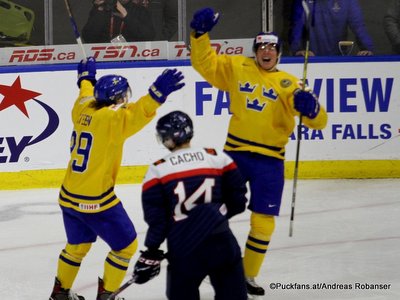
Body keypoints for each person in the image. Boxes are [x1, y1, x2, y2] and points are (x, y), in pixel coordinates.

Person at [189, 7, 328, 298]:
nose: (267, 51)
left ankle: (246, 275)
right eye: (262, 46)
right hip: (235, 154)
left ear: (278, 53)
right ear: (255, 50)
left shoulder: (290, 84)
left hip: (270, 160)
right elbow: (204, 64)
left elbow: (319, 121)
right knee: (215, 212)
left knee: (263, 223)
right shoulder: (237, 67)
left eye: (272, 47)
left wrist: (311, 109)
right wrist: (199, 36)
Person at [48, 57, 184, 300]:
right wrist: (157, 94)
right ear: (116, 100)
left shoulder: (82, 107)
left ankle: (59, 294)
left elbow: (85, 92)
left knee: (77, 246)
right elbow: (139, 112)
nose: (125, 101)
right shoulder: (112, 120)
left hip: (68, 195)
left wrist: (86, 78)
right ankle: (108, 295)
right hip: (95, 201)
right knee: (126, 246)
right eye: (123, 97)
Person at [131, 110, 248, 300]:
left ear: (168, 138)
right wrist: (215, 216)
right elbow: (238, 200)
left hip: (184, 246)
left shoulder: (158, 169)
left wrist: (151, 250)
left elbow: (158, 220)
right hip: (221, 241)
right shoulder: (217, 156)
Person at [290, 0, 374, 56]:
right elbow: (297, 27)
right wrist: (298, 50)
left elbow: (359, 27)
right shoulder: (303, 1)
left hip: (339, 59)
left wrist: (367, 49)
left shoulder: (347, 2)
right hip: (312, 59)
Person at [82, 0, 155, 43]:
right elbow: (88, 38)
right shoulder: (102, 9)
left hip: (131, 59)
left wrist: (126, 16)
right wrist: (101, 10)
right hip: (104, 58)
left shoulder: (140, 10)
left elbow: (148, 37)